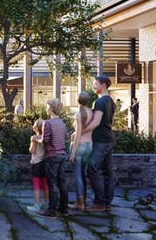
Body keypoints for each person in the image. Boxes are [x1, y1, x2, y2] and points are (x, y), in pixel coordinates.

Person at [86, 75, 116, 212]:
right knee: (108, 172)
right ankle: (107, 202)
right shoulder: (111, 101)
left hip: (102, 141)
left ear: (103, 85)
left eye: (95, 84)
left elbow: (96, 122)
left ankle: (99, 202)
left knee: (92, 169)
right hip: (109, 139)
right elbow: (110, 122)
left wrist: (80, 132)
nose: (93, 86)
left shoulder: (100, 102)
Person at [37, 98, 69, 219]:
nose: (46, 108)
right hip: (62, 155)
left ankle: (52, 211)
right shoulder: (62, 122)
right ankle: (64, 209)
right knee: (62, 182)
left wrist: (35, 139)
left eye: (47, 106)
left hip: (52, 156)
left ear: (50, 108)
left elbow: (45, 141)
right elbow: (65, 138)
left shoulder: (48, 123)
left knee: (52, 184)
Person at [69, 91, 94, 211]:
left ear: (78, 100)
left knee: (77, 175)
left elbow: (78, 134)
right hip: (89, 146)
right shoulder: (92, 112)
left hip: (80, 146)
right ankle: (83, 200)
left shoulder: (79, 114)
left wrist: (73, 152)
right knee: (82, 174)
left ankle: (80, 202)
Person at [27, 118, 48, 212]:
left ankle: (36, 205)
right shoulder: (46, 138)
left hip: (36, 163)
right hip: (44, 162)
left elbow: (32, 151)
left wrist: (32, 141)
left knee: (36, 184)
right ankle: (46, 202)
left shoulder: (35, 138)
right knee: (44, 183)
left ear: (35, 128)